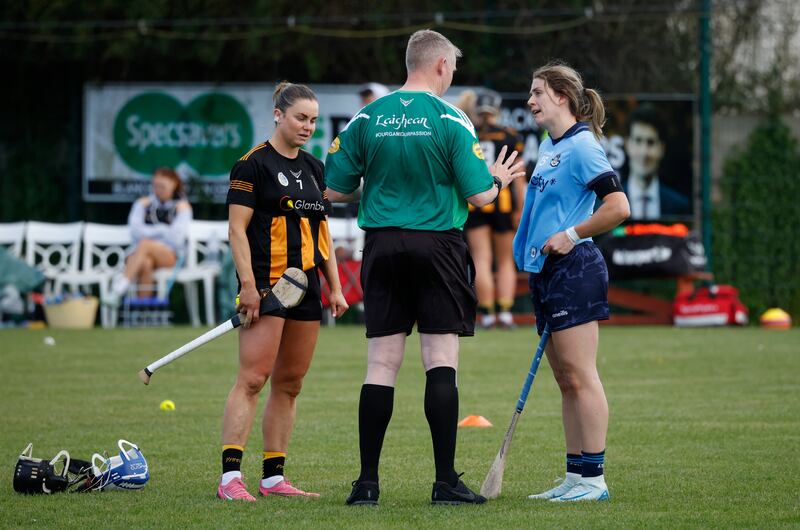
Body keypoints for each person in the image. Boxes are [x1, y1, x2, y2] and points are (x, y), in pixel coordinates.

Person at [325, 29, 526, 506]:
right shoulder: (453, 119)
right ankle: (444, 483)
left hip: (382, 243)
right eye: (452, 67)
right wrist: (497, 178)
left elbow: (334, 188)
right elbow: (480, 196)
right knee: (440, 361)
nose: (453, 74)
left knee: (381, 365)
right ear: (439, 65)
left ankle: (367, 484)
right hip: (438, 244)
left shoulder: (366, 117)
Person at [217, 82, 349, 501]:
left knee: (290, 384)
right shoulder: (251, 165)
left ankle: (273, 478)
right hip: (267, 288)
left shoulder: (314, 168)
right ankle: (229, 480)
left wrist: (336, 286)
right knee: (253, 379)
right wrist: (248, 287)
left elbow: (320, 231)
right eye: (300, 118)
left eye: (313, 120)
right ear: (278, 115)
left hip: (306, 290)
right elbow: (236, 230)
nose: (307, 126)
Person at [513, 62, 630, 502]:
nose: (531, 101)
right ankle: (575, 476)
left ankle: (595, 480)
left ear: (562, 95)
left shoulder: (582, 146)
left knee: (581, 374)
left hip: (576, 267)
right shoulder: (549, 145)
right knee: (565, 379)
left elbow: (618, 207)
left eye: (538, 92)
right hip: (547, 271)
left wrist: (573, 233)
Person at [462, 88, 527, 329]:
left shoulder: (470, 134)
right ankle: (506, 312)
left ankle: (488, 313)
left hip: (477, 202)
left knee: (480, 259)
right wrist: (521, 209)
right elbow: (519, 177)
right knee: (505, 260)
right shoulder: (510, 134)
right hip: (503, 203)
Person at [104, 167, 192, 305]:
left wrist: (152, 234)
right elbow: (135, 232)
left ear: (174, 185)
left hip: (170, 256)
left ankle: (119, 289)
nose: (158, 190)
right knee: (146, 262)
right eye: (156, 186)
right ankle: (143, 313)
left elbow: (176, 239)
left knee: (145, 244)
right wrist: (164, 231)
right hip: (141, 254)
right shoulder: (142, 204)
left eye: (162, 186)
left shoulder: (182, 207)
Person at [623, 104, 690, 219]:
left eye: (651, 142)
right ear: (627, 145)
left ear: (662, 149)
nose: (644, 153)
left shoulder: (679, 206)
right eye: (638, 141)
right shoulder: (606, 205)